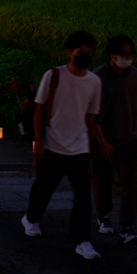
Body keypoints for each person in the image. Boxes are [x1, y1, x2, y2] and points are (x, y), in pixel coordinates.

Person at [21, 31, 104, 261]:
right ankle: (31, 217)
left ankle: (82, 241)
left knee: (82, 196)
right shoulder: (54, 75)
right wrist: (38, 141)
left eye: (88, 52)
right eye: (80, 51)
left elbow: (91, 115)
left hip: (79, 148)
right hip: (52, 144)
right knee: (44, 189)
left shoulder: (94, 82)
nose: (85, 55)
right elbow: (38, 108)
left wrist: (89, 143)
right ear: (69, 52)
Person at [92, 35, 137, 245]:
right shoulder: (97, 78)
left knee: (130, 182)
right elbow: (92, 115)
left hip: (130, 139)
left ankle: (127, 226)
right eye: (122, 54)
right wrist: (102, 142)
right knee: (102, 179)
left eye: (129, 54)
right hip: (103, 137)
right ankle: (103, 215)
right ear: (111, 54)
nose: (126, 58)